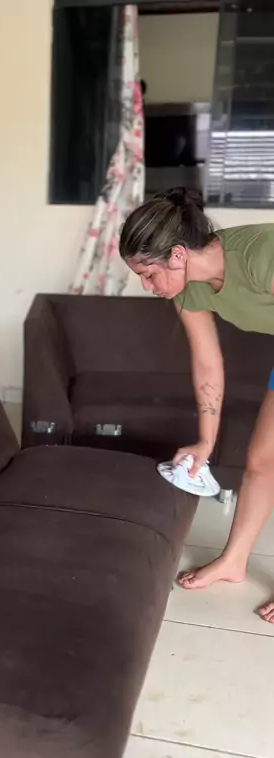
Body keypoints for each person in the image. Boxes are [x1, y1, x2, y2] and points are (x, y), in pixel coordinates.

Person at [119, 187, 274, 622]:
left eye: (149, 274)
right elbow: (207, 362)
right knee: (261, 461)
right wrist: (206, 442)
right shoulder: (188, 291)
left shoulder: (261, 255)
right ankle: (234, 561)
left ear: (178, 255)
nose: (147, 286)